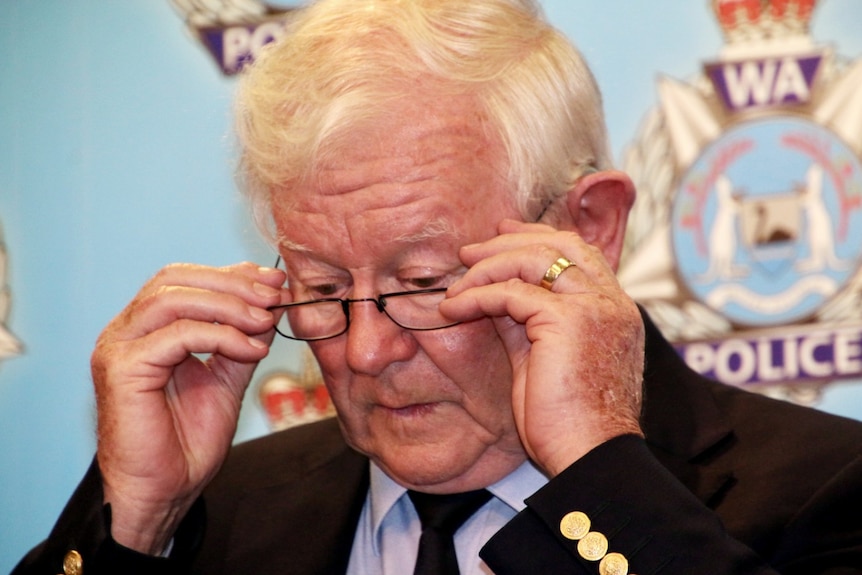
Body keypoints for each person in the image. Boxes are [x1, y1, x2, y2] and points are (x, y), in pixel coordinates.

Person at [14, 0, 862, 573]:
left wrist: (601, 473)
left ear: (589, 229)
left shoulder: (828, 489)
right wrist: (132, 517)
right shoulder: (224, 514)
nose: (366, 349)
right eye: (320, 285)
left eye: (422, 280)